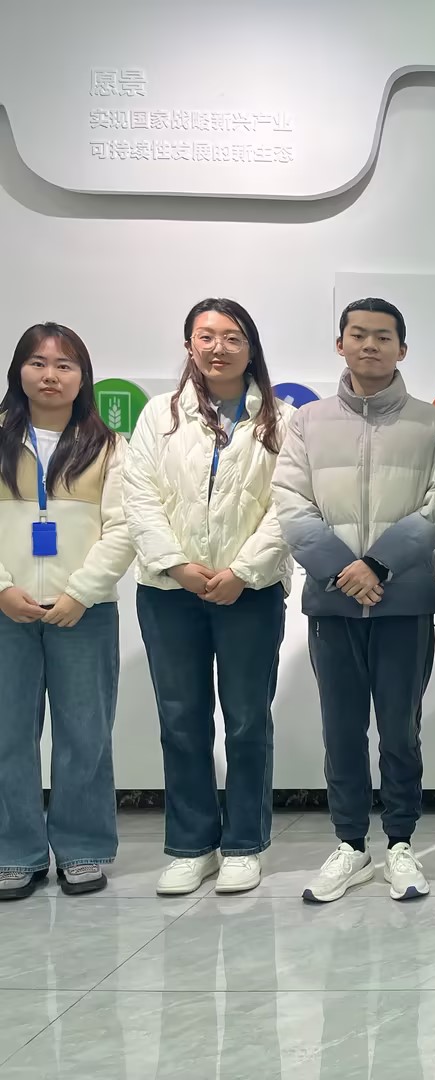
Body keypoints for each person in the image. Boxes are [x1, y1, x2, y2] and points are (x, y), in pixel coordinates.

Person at [272, 298, 435, 904]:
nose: (370, 345)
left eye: (382, 336)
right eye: (358, 334)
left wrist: (378, 564)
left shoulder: (433, 423)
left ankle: (400, 842)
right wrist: (341, 569)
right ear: (340, 344)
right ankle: (350, 844)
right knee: (342, 730)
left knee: (401, 730)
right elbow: (291, 503)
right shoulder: (307, 421)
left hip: (405, 602)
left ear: (402, 348)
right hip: (333, 603)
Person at [124, 298, 294, 896]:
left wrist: (243, 571)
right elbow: (138, 497)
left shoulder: (282, 418)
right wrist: (179, 565)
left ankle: (244, 843)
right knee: (181, 720)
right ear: (189, 345)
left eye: (232, 336)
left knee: (247, 721)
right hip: (169, 591)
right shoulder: (159, 414)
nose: (218, 347)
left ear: (251, 348)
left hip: (251, 591)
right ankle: (192, 845)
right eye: (206, 335)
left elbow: (290, 504)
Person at [0, 323, 133, 900]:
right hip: (5, 612)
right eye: (37, 363)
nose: (50, 375)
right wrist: (2, 589)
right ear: (18, 372)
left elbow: (123, 529)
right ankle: (14, 852)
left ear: (83, 377)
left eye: (64, 365)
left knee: (85, 735)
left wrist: (82, 591)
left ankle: (83, 850)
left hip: (85, 611)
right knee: (7, 735)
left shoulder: (109, 446)